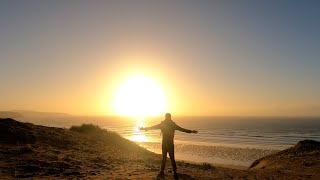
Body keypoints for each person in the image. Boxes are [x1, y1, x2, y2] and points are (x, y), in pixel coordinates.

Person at [140, 113, 198, 179]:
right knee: (172, 158)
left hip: (164, 144)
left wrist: (144, 129)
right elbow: (182, 129)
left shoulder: (162, 124)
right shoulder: (173, 125)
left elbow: (153, 127)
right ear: (170, 117)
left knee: (164, 158)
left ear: (165, 117)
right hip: (170, 144)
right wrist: (191, 131)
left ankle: (162, 172)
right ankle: (174, 172)